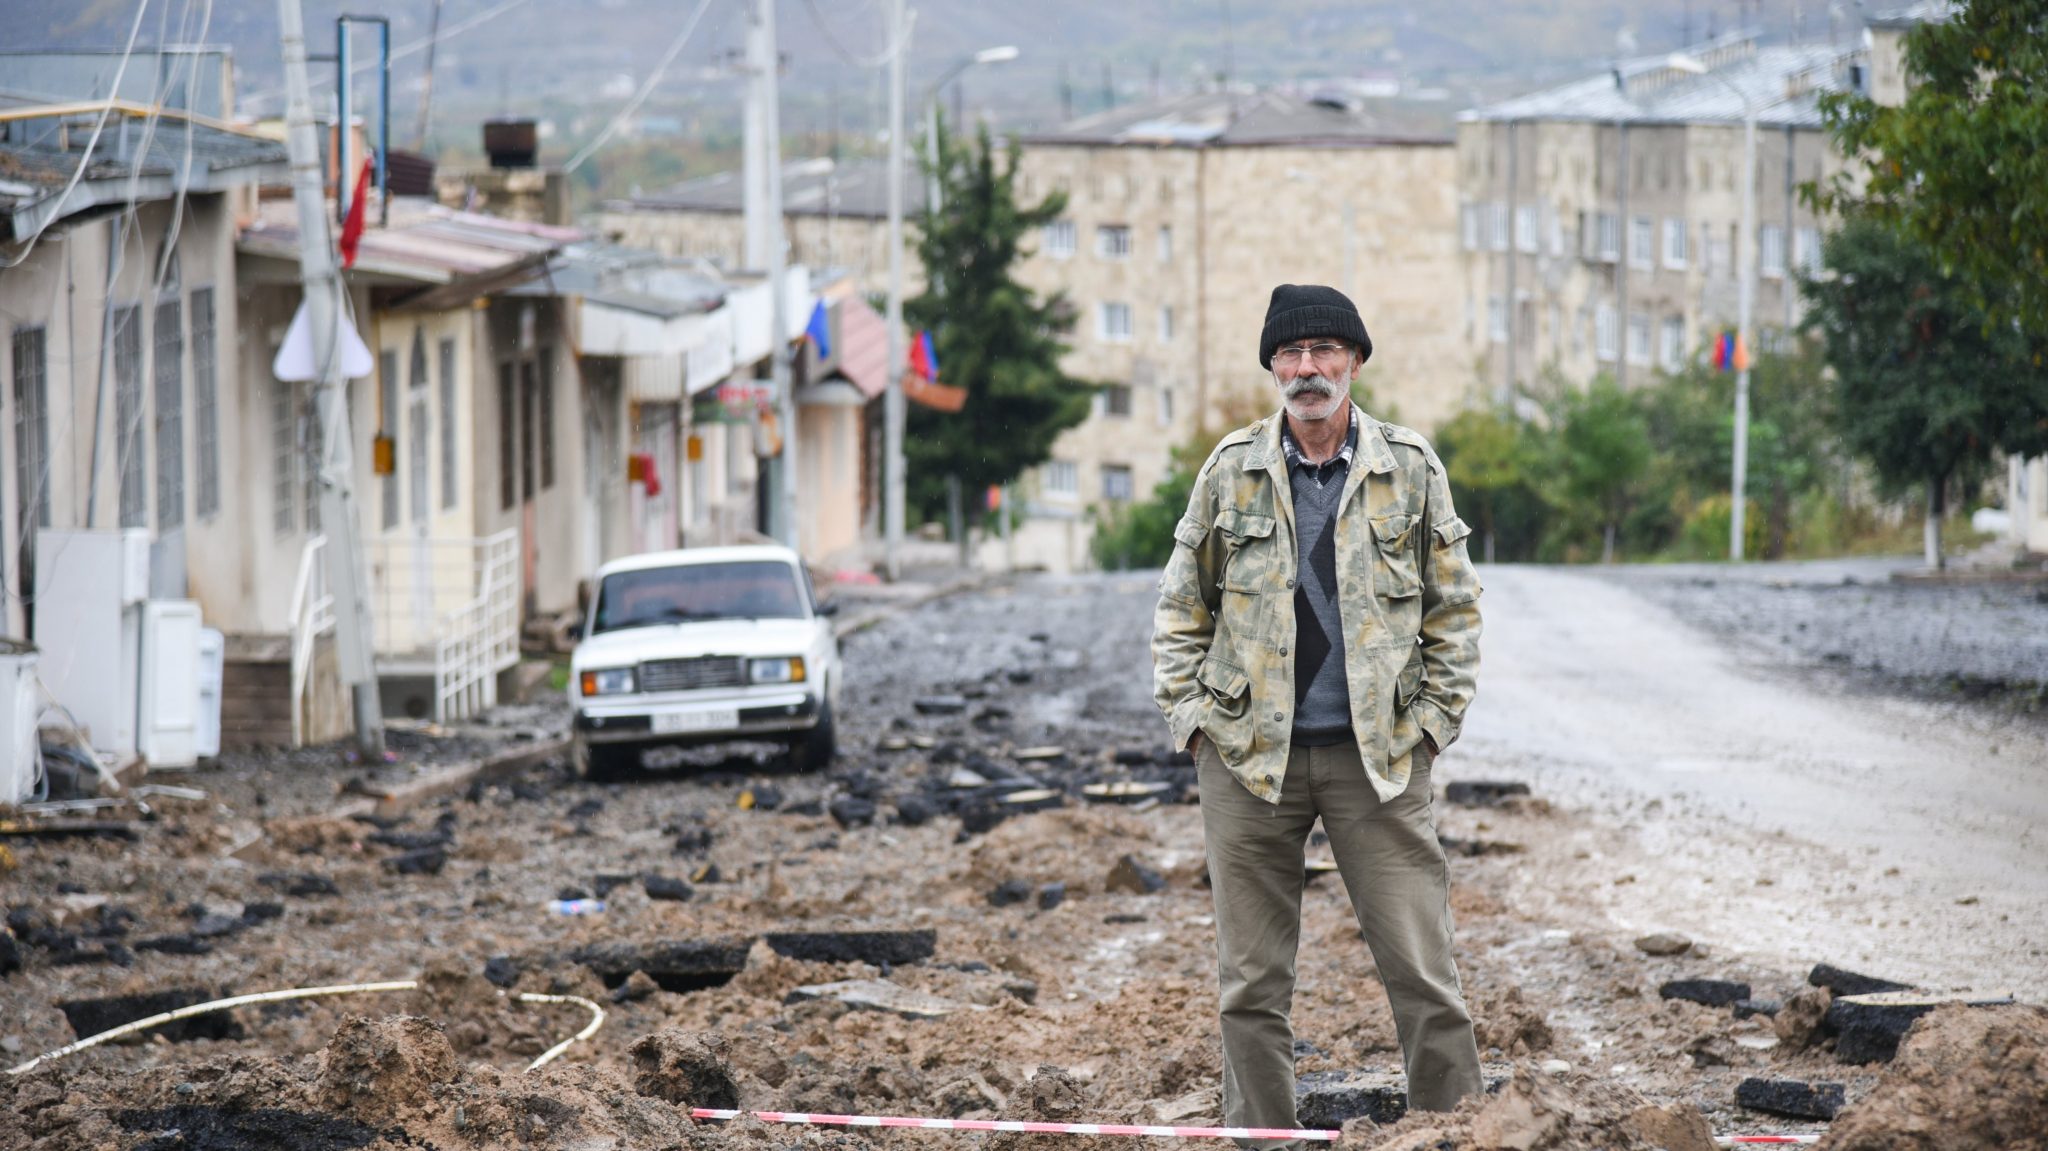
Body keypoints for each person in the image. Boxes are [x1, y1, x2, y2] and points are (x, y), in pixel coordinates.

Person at [1150, 284, 1484, 1138]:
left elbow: (1455, 609)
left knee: (1422, 969)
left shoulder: (1408, 467)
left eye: (1325, 352)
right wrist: (1193, 723)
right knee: (1250, 985)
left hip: (1378, 760)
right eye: (1292, 355)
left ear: (1355, 362)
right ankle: (1260, 1134)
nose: (1308, 370)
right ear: (1272, 367)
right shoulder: (1231, 470)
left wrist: (1434, 725)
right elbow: (1182, 607)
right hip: (1248, 761)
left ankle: (1451, 1133)